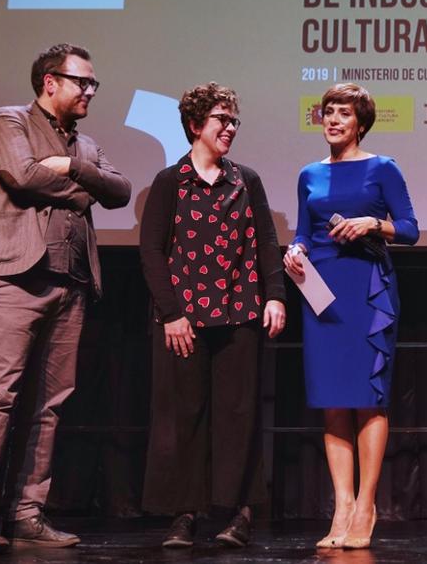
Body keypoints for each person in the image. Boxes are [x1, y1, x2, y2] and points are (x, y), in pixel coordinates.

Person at [0, 43, 132, 554]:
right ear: (50, 81)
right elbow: (22, 176)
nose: (90, 91)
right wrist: (80, 189)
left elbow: (119, 189)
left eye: (93, 84)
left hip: (70, 281)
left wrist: (73, 169)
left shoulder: (84, 145)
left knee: (50, 406)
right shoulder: (8, 121)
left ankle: (27, 512)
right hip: (15, 275)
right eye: (83, 82)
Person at [138, 83, 287, 549]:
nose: (229, 129)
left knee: (238, 415)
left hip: (240, 313)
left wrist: (276, 296)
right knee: (185, 414)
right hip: (184, 319)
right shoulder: (170, 181)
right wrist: (171, 313)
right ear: (195, 125)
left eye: (233, 121)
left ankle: (237, 511)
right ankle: (184, 513)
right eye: (222, 120)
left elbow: (265, 243)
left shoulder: (247, 180)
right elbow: (152, 252)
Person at [283, 83, 419, 550]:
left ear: (360, 122)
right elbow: (303, 231)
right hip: (321, 292)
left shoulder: (383, 168)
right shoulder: (309, 175)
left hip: (365, 289)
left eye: (343, 113)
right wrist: (295, 251)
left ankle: (366, 504)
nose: (334, 120)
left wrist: (371, 224)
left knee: (367, 397)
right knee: (332, 399)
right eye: (327, 113)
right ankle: (340, 505)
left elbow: (411, 229)